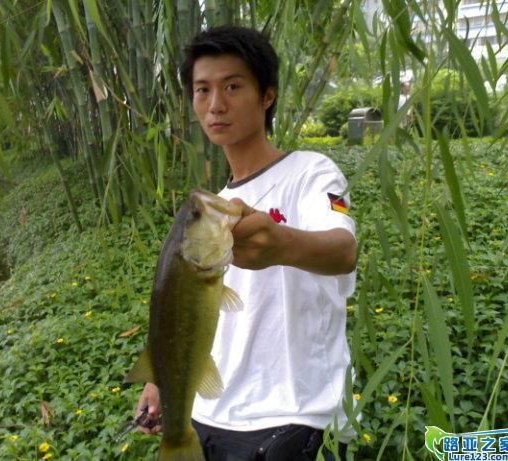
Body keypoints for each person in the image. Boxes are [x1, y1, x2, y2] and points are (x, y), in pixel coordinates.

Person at [134, 25, 357, 461]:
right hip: (208, 416)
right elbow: (192, 309)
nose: (215, 104)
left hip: (294, 417)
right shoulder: (214, 212)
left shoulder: (311, 173)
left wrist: (281, 244)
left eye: (233, 86)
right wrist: (161, 377)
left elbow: (342, 251)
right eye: (202, 90)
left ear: (267, 95)